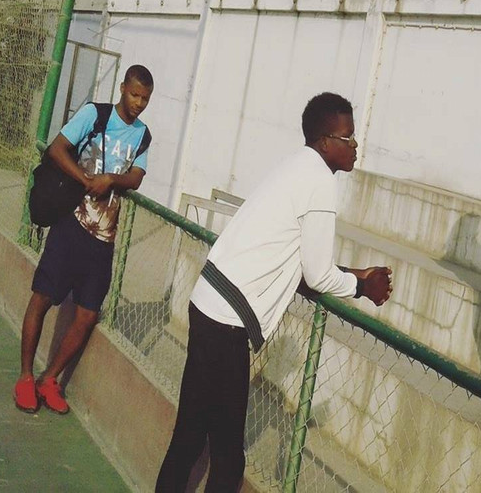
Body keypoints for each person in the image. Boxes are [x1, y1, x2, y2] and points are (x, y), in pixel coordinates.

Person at [157, 92, 393, 493]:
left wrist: (358, 275)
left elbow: (297, 265)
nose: (355, 147)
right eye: (348, 137)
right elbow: (317, 276)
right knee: (227, 460)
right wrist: (361, 287)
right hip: (226, 323)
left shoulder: (296, 166)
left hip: (208, 302)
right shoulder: (320, 182)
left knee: (190, 436)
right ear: (326, 142)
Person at [14, 64, 154, 415]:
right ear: (122, 88)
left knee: (88, 315)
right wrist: (86, 179)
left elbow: (137, 176)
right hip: (70, 225)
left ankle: (49, 380)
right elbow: (57, 149)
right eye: (134, 95)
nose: (138, 103)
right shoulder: (95, 114)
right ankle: (26, 377)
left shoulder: (143, 135)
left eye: (145, 98)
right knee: (42, 298)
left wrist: (111, 180)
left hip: (103, 239)